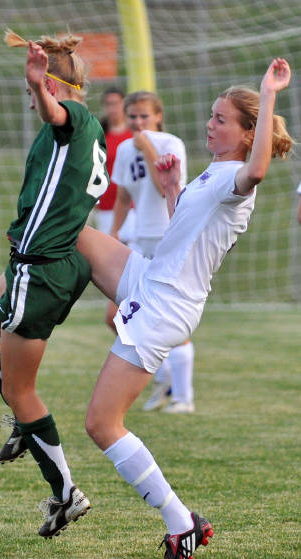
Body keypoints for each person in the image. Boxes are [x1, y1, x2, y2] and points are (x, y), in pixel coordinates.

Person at [75, 58, 292, 559]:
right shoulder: (212, 173)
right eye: (212, 115)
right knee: (73, 235)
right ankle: (20, 322)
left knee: (102, 424)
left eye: (221, 119)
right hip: (151, 278)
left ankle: (182, 522)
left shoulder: (238, 175)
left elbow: (258, 169)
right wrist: (174, 190)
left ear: (247, 133)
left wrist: (268, 92)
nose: (209, 123)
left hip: (166, 306)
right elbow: (185, 237)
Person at [0, 28, 109, 538]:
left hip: (41, 269)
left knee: (21, 390)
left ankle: (66, 494)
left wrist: (40, 87)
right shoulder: (79, 131)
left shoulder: (74, 119)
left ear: (54, 87)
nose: (30, 99)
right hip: (35, 261)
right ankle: (26, 426)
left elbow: (55, 114)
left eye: (34, 90)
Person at [110, 91, 195, 414]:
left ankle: (183, 397)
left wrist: (146, 146)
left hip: (167, 237)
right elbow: (123, 196)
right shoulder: (124, 149)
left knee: (169, 314)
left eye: (144, 115)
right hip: (140, 238)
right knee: (119, 314)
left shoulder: (171, 144)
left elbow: (165, 189)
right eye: (132, 116)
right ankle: (164, 376)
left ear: (158, 116)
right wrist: (114, 232)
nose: (138, 122)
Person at [94, 87, 135, 331]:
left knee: (130, 260)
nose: (113, 108)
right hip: (105, 208)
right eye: (108, 103)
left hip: (131, 209)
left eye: (117, 103)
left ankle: (127, 309)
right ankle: (124, 312)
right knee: (110, 264)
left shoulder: (133, 135)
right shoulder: (100, 135)